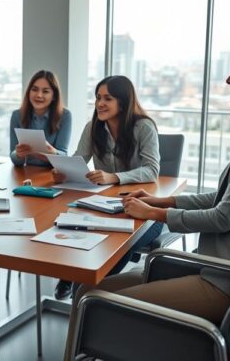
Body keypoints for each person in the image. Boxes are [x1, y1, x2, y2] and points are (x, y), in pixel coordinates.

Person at [72, 38, 230, 326]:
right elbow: (224, 198)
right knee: (87, 289)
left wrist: (154, 214)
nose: (228, 79)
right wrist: (160, 200)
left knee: (89, 298)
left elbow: (223, 217)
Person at [52, 75, 160, 300]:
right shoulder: (93, 127)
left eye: (107, 98)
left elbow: (152, 170)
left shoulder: (144, 127)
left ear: (123, 101)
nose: (100, 103)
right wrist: (64, 170)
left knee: (116, 242)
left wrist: (114, 177)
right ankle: (74, 277)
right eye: (98, 97)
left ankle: (90, 292)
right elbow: (79, 159)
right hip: (101, 204)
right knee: (70, 223)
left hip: (142, 208)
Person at [9, 69, 72, 167]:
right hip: (26, 174)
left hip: (52, 174)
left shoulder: (65, 116)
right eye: (34, 89)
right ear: (29, 92)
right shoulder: (17, 115)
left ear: (54, 96)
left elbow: (64, 156)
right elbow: (13, 157)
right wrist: (18, 155)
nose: (39, 95)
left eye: (45, 91)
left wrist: (53, 152)